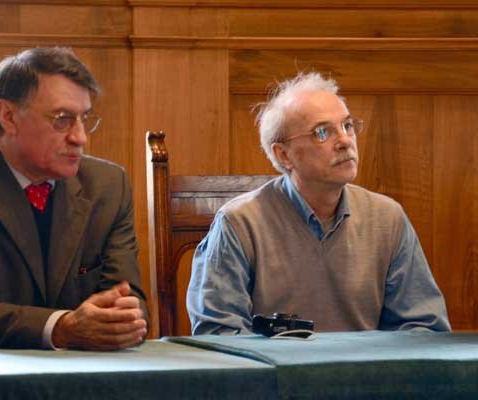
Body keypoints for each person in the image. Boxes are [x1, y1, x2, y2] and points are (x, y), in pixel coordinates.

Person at [0, 47, 148, 349]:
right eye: (62, 119)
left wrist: (120, 320)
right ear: (8, 116)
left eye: (84, 118)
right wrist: (62, 328)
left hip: (72, 376)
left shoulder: (108, 185)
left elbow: (130, 303)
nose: (80, 137)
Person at [187, 71, 450, 335]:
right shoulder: (239, 223)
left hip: (367, 375)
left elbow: (423, 325)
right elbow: (220, 334)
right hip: (275, 375)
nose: (345, 141)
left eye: (347, 126)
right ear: (284, 154)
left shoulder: (387, 218)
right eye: (322, 132)